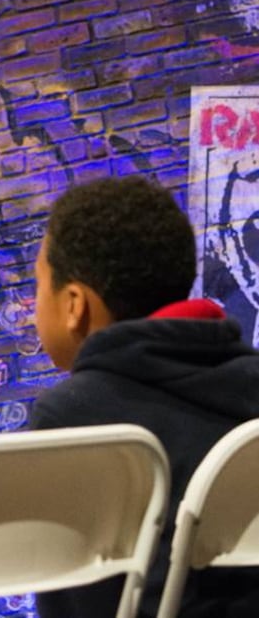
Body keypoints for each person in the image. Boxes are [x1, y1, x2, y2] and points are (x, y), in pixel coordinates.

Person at [31, 174, 259, 617]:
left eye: (39, 285)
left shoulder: (70, 417)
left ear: (75, 304)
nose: (34, 303)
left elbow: (75, 606)